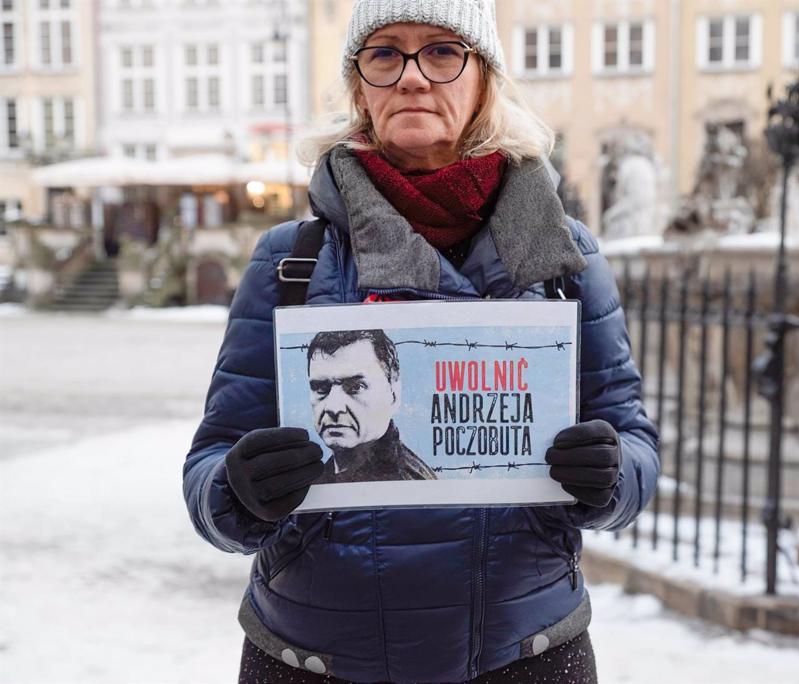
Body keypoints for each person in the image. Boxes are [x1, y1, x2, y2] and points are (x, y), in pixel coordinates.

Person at [182, 1, 659, 682]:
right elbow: (210, 462)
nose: (412, 76)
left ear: (484, 79)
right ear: (359, 87)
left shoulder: (565, 256)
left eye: (442, 51)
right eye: (385, 53)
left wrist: (612, 477)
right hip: (315, 658)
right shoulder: (290, 261)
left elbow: (634, 438)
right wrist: (237, 490)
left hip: (522, 655)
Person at [306, 329, 437, 483]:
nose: (333, 408)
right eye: (321, 388)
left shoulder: (411, 485)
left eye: (356, 387)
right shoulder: (318, 479)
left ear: (393, 395)